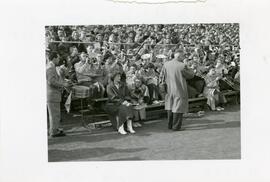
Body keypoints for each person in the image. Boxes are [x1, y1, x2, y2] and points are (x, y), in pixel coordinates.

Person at [160, 49, 194, 131]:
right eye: (183, 56)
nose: (184, 57)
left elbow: (161, 76)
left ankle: (170, 125)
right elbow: (191, 75)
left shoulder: (166, 64)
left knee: (170, 107)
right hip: (179, 89)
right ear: (179, 56)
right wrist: (190, 68)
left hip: (169, 89)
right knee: (178, 108)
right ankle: (176, 127)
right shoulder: (182, 65)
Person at [46, 51, 71, 137]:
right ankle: (54, 131)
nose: (59, 59)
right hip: (52, 94)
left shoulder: (52, 67)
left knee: (54, 114)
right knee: (54, 114)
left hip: (53, 94)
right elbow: (51, 81)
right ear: (54, 58)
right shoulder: (50, 67)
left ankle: (53, 129)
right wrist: (63, 84)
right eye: (58, 58)